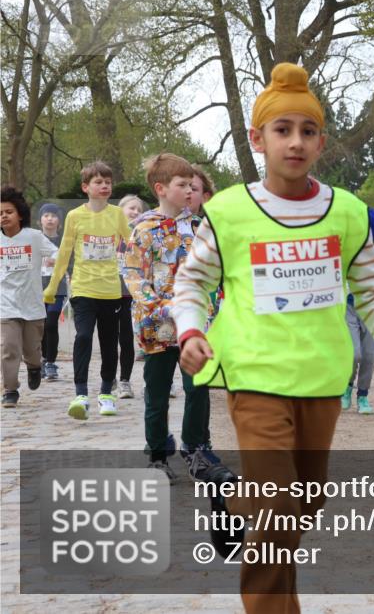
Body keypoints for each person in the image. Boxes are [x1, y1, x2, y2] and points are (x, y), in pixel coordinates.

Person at [175, 62, 374, 614]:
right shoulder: (229, 210)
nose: (296, 141)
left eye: (307, 131)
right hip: (254, 373)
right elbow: (192, 281)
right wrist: (190, 330)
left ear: (321, 141)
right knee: (280, 505)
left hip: (320, 377)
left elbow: (373, 291)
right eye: (282, 130)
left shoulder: (349, 214)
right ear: (258, 139)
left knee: (304, 502)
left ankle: (232, 497)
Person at [123, 154, 233, 485]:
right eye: (182, 185)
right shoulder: (143, 229)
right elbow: (132, 274)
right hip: (156, 327)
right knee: (156, 393)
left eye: (192, 185)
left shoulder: (200, 227)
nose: (190, 190)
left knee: (198, 388)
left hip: (196, 327)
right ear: (161, 189)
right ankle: (157, 455)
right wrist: (159, 304)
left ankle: (197, 450)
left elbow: (218, 269)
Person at [44, 161, 131, 420]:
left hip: (111, 290)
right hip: (83, 287)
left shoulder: (117, 215)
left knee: (108, 342)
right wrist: (52, 286)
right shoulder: (74, 216)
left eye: (108, 182)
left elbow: (135, 244)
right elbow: (64, 254)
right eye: (98, 182)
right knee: (83, 337)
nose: (104, 186)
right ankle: (80, 394)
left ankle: (106, 393)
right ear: (86, 187)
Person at [2, 187, 58, 408]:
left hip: (33, 305)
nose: (4, 216)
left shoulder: (33, 237)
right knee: (8, 347)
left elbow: (55, 252)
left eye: (9, 211)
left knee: (32, 350)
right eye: (0, 213)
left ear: (21, 214)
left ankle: (35, 367)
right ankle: (10, 390)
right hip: (5, 304)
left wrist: (51, 262)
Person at [343, 207, 374, 414]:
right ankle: (346, 387)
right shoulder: (343, 256)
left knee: (369, 355)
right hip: (348, 308)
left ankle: (363, 396)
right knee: (354, 354)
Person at [115, 194, 147, 399]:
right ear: (120, 210)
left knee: (136, 339)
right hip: (112, 291)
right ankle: (115, 381)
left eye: (139, 209)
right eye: (131, 208)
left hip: (135, 293)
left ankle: (130, 381)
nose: (135, 212)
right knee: (116, 339)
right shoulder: (111, 234)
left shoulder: (143, 235)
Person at [37, 203, 69, 381]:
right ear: (40, 220)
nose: (50, 218)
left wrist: (57, 263)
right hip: (37, 287)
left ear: (60, 221)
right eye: (46, 215)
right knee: (41, 325)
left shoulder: (65, 240)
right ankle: (42, 360)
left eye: (54, 215)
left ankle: (50, 363)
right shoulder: (34, 239)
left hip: (58, 288)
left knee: (51, 324)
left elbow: (70, 262)